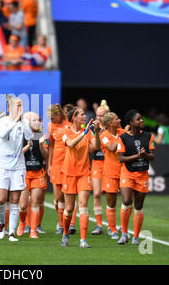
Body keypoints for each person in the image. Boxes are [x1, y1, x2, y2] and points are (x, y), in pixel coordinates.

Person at [0, 95, 33, 242]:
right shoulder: (3, 121)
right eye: (17, 105)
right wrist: (15, 121)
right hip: (2, 165)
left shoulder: (23, 121)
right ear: (10, 108)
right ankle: (1, 224)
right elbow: (3, 135)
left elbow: (30, 136)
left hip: (18, 166)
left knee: (15, 199)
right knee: (2, 199)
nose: (19, 108)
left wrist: (22, 120)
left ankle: (12, 233)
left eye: (21, 105)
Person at [60, 106, 100, 248]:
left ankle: (83, 240)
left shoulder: (88, 132)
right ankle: (65, 234)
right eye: (82, 114)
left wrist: (97, 133)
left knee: (83, 205)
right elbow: (70, 144)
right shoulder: (65, 131)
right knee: (69, 209)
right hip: (69, 173)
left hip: (84, 173)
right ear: (74, 118)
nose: (85, 116)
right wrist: (85, 132)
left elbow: (96, 147)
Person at [116, 109, 155, 245]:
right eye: (138, 119)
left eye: (141, 119)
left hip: (142, 174)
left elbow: (153, 156)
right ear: (131, 123)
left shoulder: (148, 136)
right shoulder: (123, 138)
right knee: (127, 201)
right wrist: (137, 156)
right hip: (127, 173)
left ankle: (136, 236)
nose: (141, 121)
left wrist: (144, 155)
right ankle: (124, 233)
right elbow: (121, 158)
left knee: (138, 206)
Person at [17, 111, 48, 239]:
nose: (37, 122)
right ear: (27, 123)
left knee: (35, 202)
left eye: (38, 120)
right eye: (34, 120)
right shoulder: (21, 135)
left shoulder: (41, 135)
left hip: (38, 173)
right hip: (24, 173)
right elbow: (17, 154)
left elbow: (46, 155)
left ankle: (33, 231)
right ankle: (23, 222)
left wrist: (41, 143)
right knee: (23, 205)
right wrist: (28, 145)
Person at [47, 104, 72, 234]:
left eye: (52, 118)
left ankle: (66, 225)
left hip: (68, 164)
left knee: (68, 195)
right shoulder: (50, 126)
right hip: (56, 164)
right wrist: (49, 164)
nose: (50, 120)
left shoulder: (69, 123)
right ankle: (61, 223)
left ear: (58, 115)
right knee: (57, 197)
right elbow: (51, 145)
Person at [100, 111, 123, 239]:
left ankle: (123, 228)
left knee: (127, 201)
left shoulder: (122, 132)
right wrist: (122, 136)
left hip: (124, 171)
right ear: (110, 123)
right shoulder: (104, 135)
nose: (119, 120)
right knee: (111, 202)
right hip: (110, 171)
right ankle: (112, 229)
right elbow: (112, 147)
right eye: (116, 119)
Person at [89, 100, 110, 236]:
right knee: (96, 194)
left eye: (101, 116)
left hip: (109, 164)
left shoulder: (113, 128)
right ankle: (98, 225)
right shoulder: (91, 129)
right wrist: (97, 133)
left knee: (109, 194)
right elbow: (93, 149)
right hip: (97, 162)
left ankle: (111, 225)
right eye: (97, 115)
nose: (98, 118)